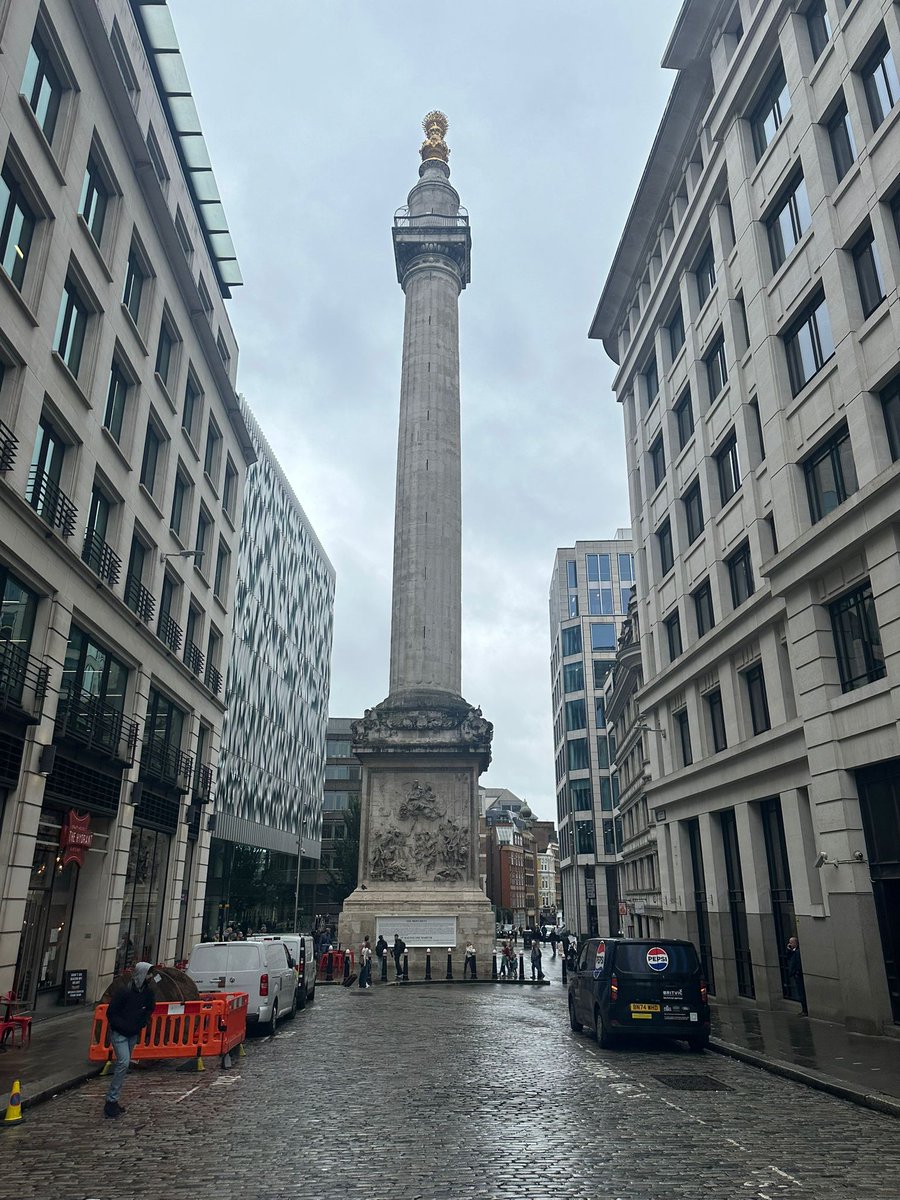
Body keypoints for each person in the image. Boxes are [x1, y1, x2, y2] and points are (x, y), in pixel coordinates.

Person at [104, 962, 156, 1119]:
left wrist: (142, 1021)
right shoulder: (124, 992)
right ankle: (111, 1100)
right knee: (123, 1063)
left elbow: (150, 1007)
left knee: (123, 1066)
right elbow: (111, 1013)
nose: (150, 977)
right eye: (148, 973)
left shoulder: (147, 993)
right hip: (120, 1034)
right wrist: (121, 1025)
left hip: (133, 1033)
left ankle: (113, 1100)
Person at [786, 935, 807, 1015]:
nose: (790, 944)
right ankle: (804, 1009)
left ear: (795, 943)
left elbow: (797, 962)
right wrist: (789, 949)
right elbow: (789, 957)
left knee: (801, 992)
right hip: (796, 973)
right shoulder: (793, 951)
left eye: (791, 942)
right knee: (800, 992)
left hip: (798, 974)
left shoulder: (797, 952)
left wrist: (796, 972)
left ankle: (805, 1010)